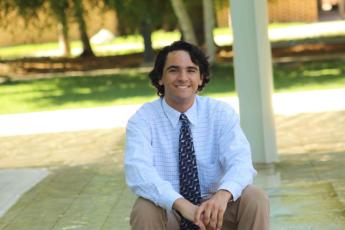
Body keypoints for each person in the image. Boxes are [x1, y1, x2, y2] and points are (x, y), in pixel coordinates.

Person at [124, 40, 269, 230]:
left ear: (201, 78)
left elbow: (241, 163)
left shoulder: (220, 114)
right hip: (171, 212)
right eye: (174, 70)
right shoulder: (143, 120)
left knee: (255, 197)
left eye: (191, 70)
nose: (183, 77)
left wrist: (222, 195)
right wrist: (182, 205)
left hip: (216, 211)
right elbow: (138, 172)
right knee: (145, 208)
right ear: (160, 77)